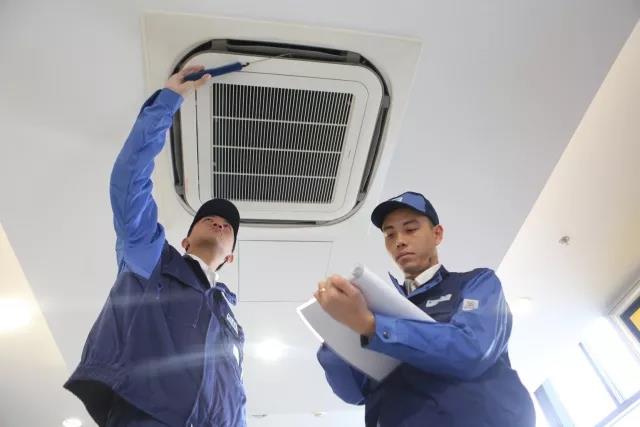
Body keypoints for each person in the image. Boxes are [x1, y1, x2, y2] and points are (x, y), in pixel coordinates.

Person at [64, 66, 247, 427]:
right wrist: (167, 102)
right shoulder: (153, 261)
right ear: (185, 241)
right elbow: (130, 181)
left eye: (228, 226)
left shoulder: (230, 322)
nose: (219, 222)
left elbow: (236, 395)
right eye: (207, 218)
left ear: (230, 256)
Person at [314, 191, 535, 426]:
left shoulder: (476, 283)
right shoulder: (375, 309)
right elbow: (353, 393)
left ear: (437, 234)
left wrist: (372, 326)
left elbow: (472, 349)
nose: (399, 241)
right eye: (390, 235)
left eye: (410, 229)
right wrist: (337, 333)